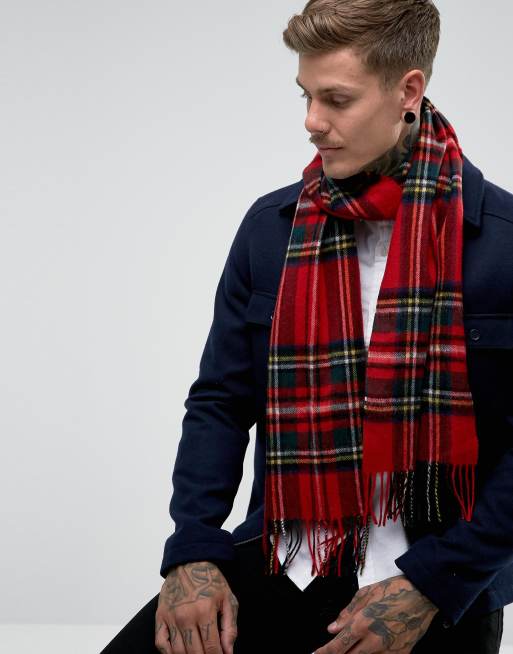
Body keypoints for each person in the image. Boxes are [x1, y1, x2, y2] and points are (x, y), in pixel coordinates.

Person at [100, 1, 513, 653]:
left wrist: (434, 583)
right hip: (284, 560)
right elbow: (220, 401)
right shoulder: (272, 230)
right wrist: (194, 549)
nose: (312, 122)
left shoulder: (502, 245)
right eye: (306, 95)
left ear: (408, 91)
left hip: (436, 588)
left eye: (336, 99)